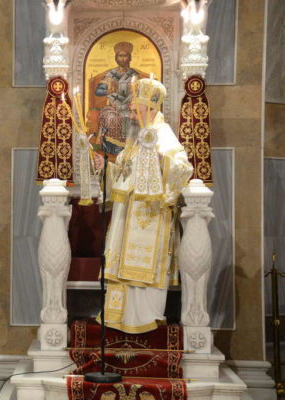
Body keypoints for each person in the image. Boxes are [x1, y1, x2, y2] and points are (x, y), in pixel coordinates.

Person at [94, 78, 193, 333]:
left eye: (135, 110)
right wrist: (106, 167)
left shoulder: (162, 134)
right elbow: (125, 175)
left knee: (144, 272)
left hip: (150, 218)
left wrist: (159, 158)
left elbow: (183, 169)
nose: (130, 115)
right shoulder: (137, 140)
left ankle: (146, 319)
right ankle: (121, 319)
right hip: (127, 216)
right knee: (123, 271)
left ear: (150, 109)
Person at [89, 42, 149, 157]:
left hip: (130, 106)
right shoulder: (110, 75)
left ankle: (131, 147)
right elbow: (98, 91)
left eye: (125, 55)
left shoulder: (134, 75)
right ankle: (112, 148)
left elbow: (140, 92)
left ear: (129, 58)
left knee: (132, 117)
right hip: (113, 107)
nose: (123, 58)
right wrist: (108, 91)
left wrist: (132, 100)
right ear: (116, 58)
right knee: (111, 118)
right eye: (120, 56)